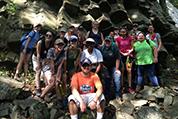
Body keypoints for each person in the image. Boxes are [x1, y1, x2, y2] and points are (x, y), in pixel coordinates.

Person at [32, 31, 54, 96]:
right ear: (45, 36)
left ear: (52, 37)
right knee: (38, 71)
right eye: (47, 35)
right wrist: (39, 64)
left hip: (44, 59)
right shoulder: (40, 42)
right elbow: (38, 54)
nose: (48, 37)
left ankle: (46, 87)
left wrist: (48, 63)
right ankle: (38, 88)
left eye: (50, 36)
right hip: (36, 58)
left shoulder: (51, 44)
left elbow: (50, 56)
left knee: (45, 71)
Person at [100, 36, 122, 101]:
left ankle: (117, 94)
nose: (107, 42)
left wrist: (117, 69)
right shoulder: (102, 48)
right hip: (105, 66)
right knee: (107, 80)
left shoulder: (114, 47)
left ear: (111, 42)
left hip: (114, 66)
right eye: (106, 41)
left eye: (108, 41)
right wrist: (103, 67)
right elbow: (100, 59)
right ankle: (107, 95)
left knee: (117, 79)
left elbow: (118, 58)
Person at [115, 27, 135, 93]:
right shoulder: (117, 39)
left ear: (126, 32)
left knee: (129, 70)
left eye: (124, 31)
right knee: (122, 71)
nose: (123, 33)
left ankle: (129, 87)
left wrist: (129, 52)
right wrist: (122, 53)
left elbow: (133, 47)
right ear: (119, 32)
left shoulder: (130, 38)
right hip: (121, 56)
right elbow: (117, 48)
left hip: (129, 56)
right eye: (122, 32)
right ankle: (122, 87)